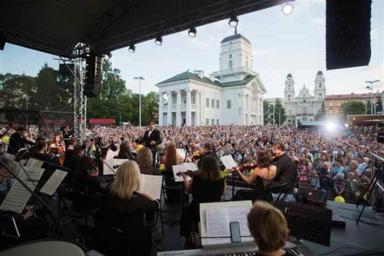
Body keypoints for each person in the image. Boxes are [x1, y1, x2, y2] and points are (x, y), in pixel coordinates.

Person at [95, 161, 159, 256]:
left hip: (108, 240)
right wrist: (150, 198)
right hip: (132, 244)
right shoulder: (138, 200)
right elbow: (155, 206)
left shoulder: (108, 191)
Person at [180, 155, 225, 243]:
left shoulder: (197, 177)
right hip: (215, 209)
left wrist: (185, 178)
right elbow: (222, 192)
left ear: (202, 165)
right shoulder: (221, 178)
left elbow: (188, 190)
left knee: (186, 211)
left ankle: (189, 236)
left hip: (198, 210)